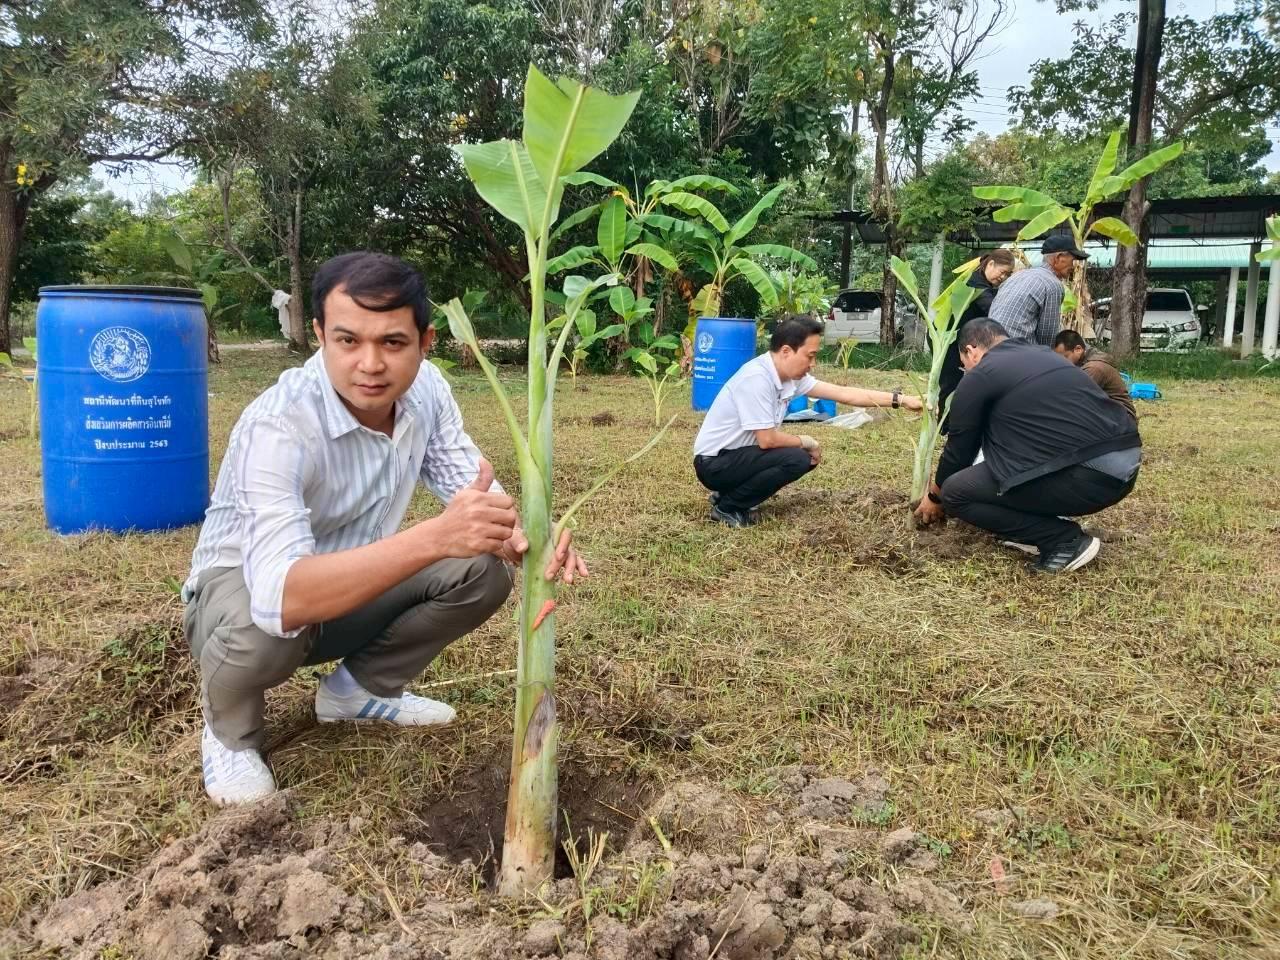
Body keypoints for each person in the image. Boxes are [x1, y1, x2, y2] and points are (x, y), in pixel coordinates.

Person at [183, 252, 587, 805]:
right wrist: (434, 537)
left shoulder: (427, 393)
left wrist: (529, 540)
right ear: (320, 336)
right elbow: (281, 596)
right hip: (242, 596)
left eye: (393, 343)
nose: (370, 364)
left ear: (426, 342)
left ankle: (355, 693)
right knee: (266, 627)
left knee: (481, 571)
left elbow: (471, 486)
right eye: (348, 341)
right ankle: (229, 735)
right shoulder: (278, 424)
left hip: (355, 584)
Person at [914, 319, 1141, 573]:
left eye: (963, 363)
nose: (965, 369)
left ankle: (1062, 539)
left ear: (971, 350)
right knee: (996, 473)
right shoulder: (1045, 356)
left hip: (1090, 474)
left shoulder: (982, 374)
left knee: (956, 492)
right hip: (1125, 465)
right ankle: (1036, 530)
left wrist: (935, 496)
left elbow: (959, 451)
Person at [693, 314, 923, 527]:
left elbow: (846, 394)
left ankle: (729, 494)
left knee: (798, 457)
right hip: (713, 463)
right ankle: (727, 508)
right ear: (786, 351)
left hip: (735, 457)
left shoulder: (790, 379)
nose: (813, 364)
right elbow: (767, 440)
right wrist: (806, 440)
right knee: (796, 458)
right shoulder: (757, 379)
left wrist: (901, 400)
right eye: (810, 356)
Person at [937, 248, 1016, 424]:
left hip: (962, 340)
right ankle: (945, 425)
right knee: (951, 383)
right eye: (1002, 272)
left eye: (1008, 275)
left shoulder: (985, 284)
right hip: (949, 339)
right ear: (991, 264)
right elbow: (993, 310)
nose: (1003, 278)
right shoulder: (975, 283)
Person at [988, 236, 1089, 345]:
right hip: (1016, 351)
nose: (1073, 266)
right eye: (1073, 260)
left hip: (990, 346)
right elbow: (1046, 337)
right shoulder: (1052, 285)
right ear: (1058, 257)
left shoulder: (1018, 276)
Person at [1052, 329, 1137, 419]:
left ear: (1078, 349)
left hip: (1122, 421)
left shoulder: (1094, 368)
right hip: (1112, 416)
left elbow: (1076, 401)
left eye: (1065, 357)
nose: (1062, 362)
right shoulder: (1083, 362)